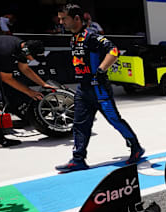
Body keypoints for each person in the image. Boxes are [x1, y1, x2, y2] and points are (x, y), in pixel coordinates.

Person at [55, 4, 145, 172]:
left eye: (63, 18)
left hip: (99, 89)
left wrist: (100, 71)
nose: (61, 22)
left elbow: (114, 51)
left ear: (76, 18)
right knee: (79, 124)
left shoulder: (92, 36)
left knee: (114, 120)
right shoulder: (74, 38)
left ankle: (136, 148)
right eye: (60, 19)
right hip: (83, 89)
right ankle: (78, 159)